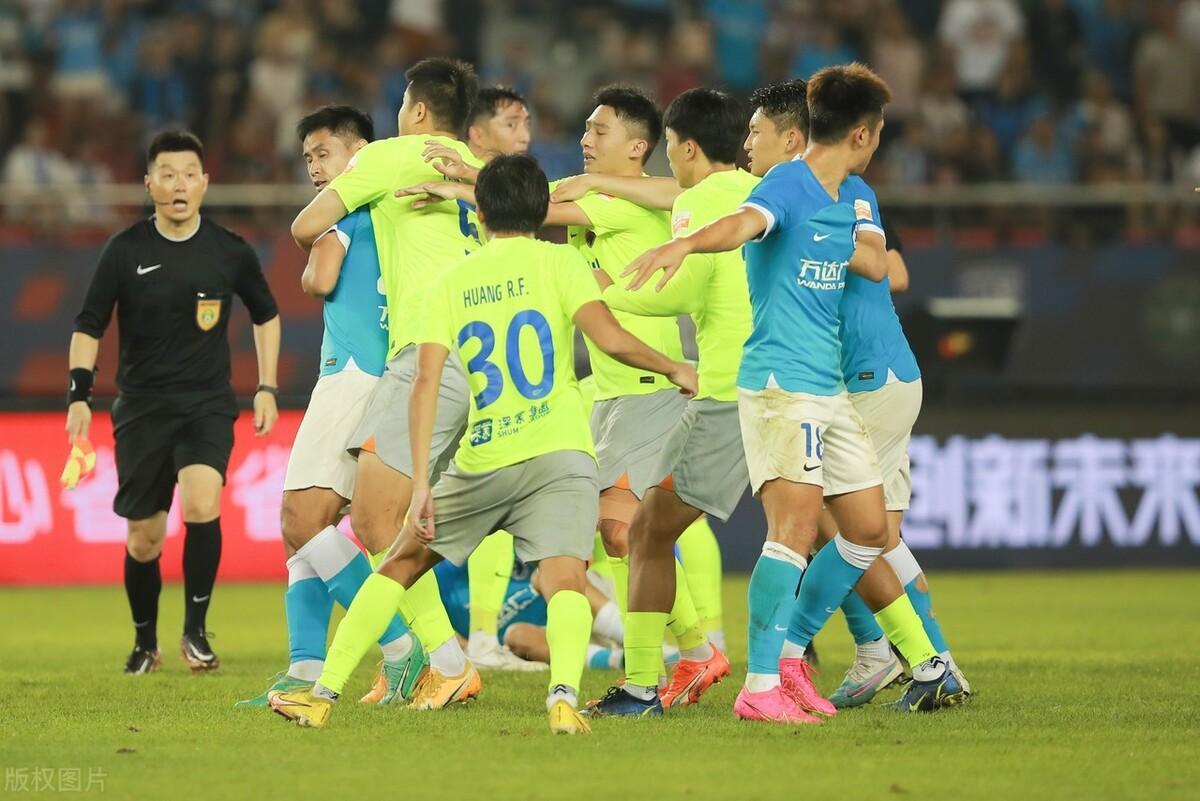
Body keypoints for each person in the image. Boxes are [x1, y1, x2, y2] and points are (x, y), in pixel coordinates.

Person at [269, 153, 697, 732]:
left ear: (482, 213)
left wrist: (423, 481)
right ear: (540, 210)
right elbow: (611, 339)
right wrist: (673, 366)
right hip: (560, 454)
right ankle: (563, 697)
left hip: (487, 455)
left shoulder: (451, 281)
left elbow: (426, 383)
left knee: (399, 564)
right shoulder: (561, 263)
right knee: (565, 581)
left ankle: (321, 695)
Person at [624, 64, 963, 722]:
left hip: (828, 386)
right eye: (880, 131)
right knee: (794, 530)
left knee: (867, 530)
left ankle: (793, 657)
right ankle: (761, 685)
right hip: (781, 383)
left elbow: (877, 265)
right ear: (863, 134)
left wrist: (867, 253)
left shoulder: (846, 197)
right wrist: (687, 244)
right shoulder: (788, 183)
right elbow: (743, 223)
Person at [402, 87, 715, 687]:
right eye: (586, 129)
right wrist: (470, 182)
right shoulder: (597, 193)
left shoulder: (618, 203)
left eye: (599, 131)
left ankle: (683, 654)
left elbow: (529, 210)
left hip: (648, 383)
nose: (585, 139)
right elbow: (533, 201)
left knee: (622, 529)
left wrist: (467, 179)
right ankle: (683, 652)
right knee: (618, 532)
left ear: (638, 147)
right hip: (611, 388)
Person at [286, 57, 483, 709]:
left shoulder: (391, 156)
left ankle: (437, 659)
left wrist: (351, 208)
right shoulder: (482, 172)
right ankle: (438, 658)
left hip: (424, 354)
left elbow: (304, 227)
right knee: (387, 518)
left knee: (373, 519)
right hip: (485, 362)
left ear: (418, 110)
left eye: (402, 103)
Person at [68, 130, 280, 675]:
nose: (179, 185)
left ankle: (195, 633)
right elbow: (89, 325)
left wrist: (267, 386)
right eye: (167, 174)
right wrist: (78, 395)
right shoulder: (125, 251)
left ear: (205, 182)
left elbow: (266, 314)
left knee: (203, 503)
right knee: (144, 539)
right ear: (149, 184)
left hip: (206, 405)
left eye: (189, 174)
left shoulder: (229, 251)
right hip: (141, 409)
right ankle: (145, 642)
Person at [238, 106, 429, 708]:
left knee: (300, 519)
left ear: (361, 152)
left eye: (325, 153)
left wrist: (312, 261)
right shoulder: (398, 215)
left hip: (349, 373)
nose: (316, 168)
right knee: (310, 528)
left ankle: (401, 648)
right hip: (393, 372)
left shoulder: (345, 212)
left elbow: (319, 281)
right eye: (309, 159)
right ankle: (304, 666)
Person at [576, 87, 757, 716]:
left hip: (720, 386)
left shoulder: (697, 201)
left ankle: (651, 679)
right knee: (832, 531)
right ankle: (919, 656)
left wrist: (596, 290)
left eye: (672, 146)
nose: (670, 159)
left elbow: (678, 293)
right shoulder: (762, 193)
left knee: (644, 528)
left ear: (685, 148)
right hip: (788, 379)